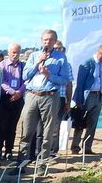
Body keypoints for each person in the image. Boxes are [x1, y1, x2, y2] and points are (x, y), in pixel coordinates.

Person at [19, 29, 72, 161]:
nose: (47, 42)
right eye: (45, 40)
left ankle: (42, 162)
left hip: (49, 96)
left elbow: (65, 80)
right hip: (32, 95)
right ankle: (21, 162)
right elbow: (25, 76)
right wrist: (37, 63)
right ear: (41, 41)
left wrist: (49, 75)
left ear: (55, 41)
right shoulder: (33, 56)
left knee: (47, 132)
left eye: (50, 40)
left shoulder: (61, 58)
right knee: (26, 130)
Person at [71, 42, 102, 154]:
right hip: (86, 97)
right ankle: (75, 147)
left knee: (92, 123)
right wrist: (79, 99)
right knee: (80, 123)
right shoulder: (87, 64)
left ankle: (87, 147)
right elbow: (80, 83)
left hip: (98, 96)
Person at [0, 43, 25, 160]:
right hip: (4, 99)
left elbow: (26, 81)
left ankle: (9, 150)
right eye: (13, 52)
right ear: (8, 53)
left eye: (18, 52)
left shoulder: (23, 66)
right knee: (1, 125)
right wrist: (13, 92)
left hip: (18, 99)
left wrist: (19, 93)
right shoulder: (1, 65)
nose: (16, 55)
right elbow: (1, 82)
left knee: (13, 126)